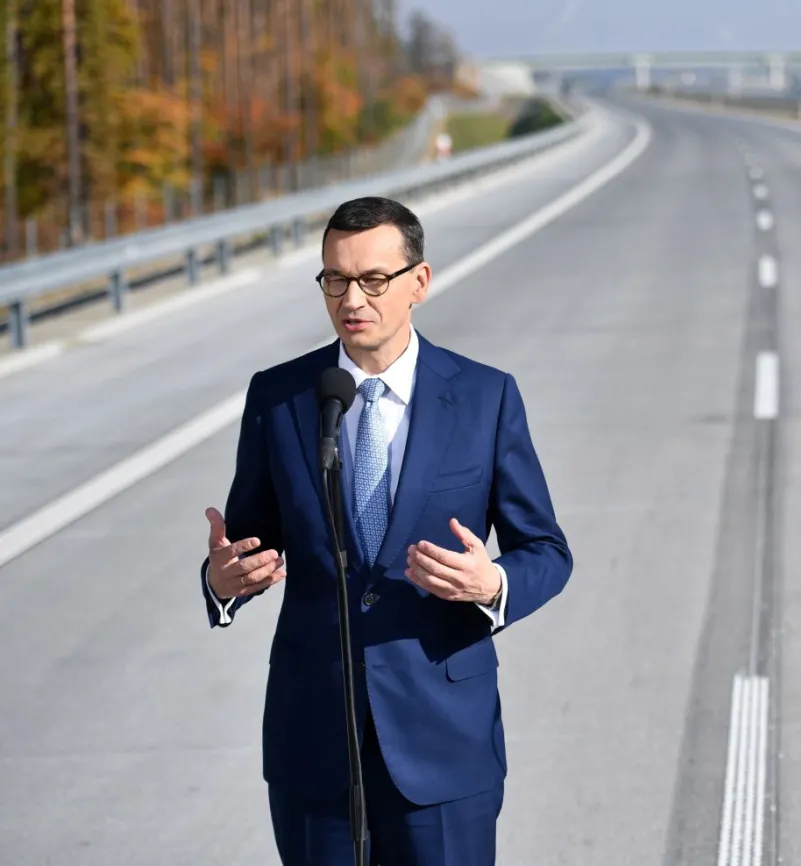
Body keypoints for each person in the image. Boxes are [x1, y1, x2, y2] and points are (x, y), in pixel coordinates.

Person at [198, 196, 572, 865]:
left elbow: (546, 550)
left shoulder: (485, 397)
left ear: (418, 282)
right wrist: (223, 582)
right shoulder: (279, 398)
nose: (352, 299)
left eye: (373, 279)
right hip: (314, 740)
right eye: (335, 279)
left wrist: (493, 584)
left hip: (443, 742)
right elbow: (249, 544)